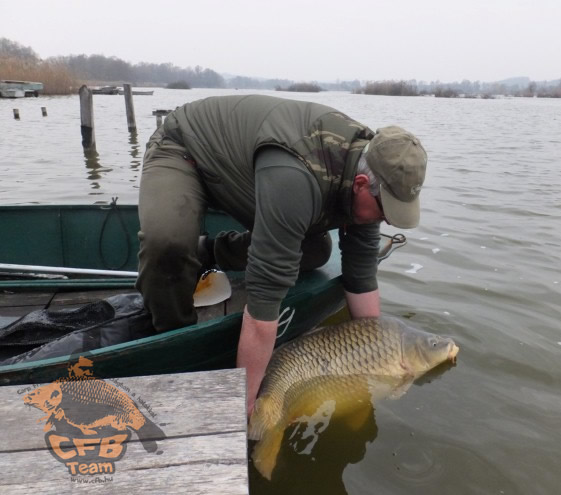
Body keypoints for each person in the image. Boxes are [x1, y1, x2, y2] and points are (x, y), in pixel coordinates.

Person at [136, 94, 427, 414]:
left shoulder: (374, 169)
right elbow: (263, 308)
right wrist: (246, 406)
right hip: (185, 148)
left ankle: (212, 251)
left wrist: (375, 354)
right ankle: (175, 347)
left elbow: (361, 279)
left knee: (315, 250)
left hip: (253, 175)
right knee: (167, 244)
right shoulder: (298, 176)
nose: (386, 220)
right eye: (385, 210)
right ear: (360, 184)